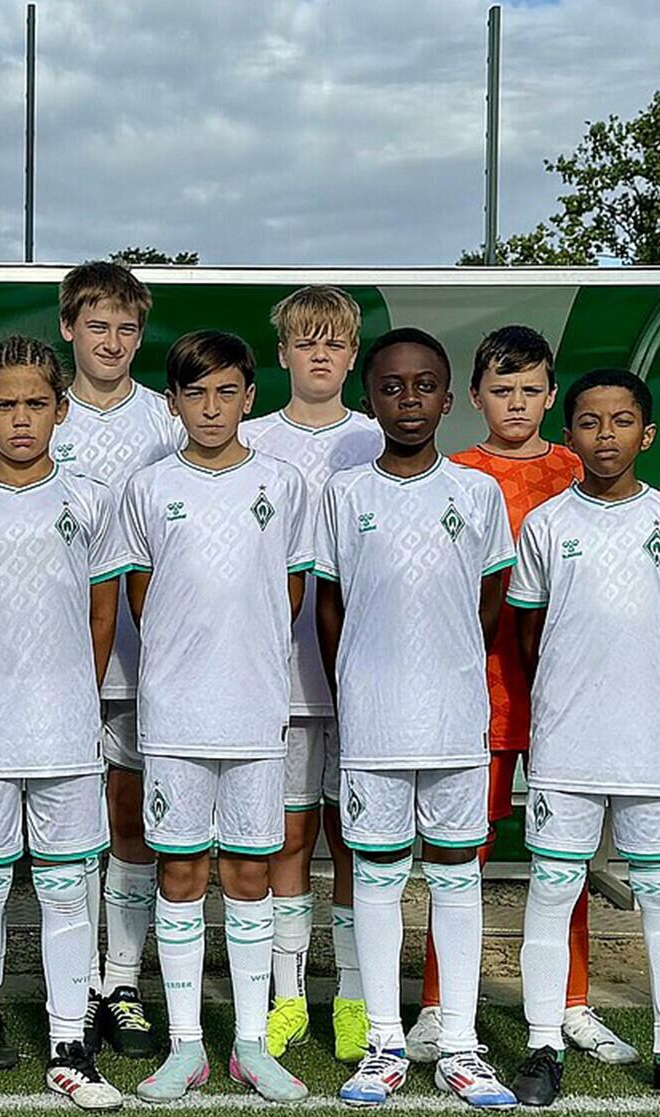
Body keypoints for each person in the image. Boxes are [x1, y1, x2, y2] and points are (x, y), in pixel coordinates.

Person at [409, 326, 638, 1067]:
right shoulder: (451, 477)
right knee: (457, 860)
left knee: (563, 866)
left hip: (566, 707)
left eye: (531, 389)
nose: (517, 403)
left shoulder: (585, 471)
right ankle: (442, 1009)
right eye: (501, 390)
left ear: (551, 394)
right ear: (474, 397)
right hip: (476, 704)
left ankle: (571, 1004)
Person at [505, 369, 660, 1111]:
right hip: (568, 740)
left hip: (650, 742)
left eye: (623, 421)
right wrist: (579, 687)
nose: (607, 435)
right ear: (569, 436)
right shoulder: (546, 525)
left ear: (647, 433)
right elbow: (531, 633)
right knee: (553, 888)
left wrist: (646, 689)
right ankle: (542, 1043)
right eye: (592, 422)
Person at [0, 336, 126, 1112]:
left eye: (36, 403)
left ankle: (72, 1043)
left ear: (61, 410)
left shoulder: (91, 500)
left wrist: (72, 687)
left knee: (67, 888)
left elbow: (102, 612)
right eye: (4, 404)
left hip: (65, 732)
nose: (20, 418)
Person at [314, 328, 518, 1109]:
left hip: (454, 716)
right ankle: (383, 1045)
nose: (409, 400)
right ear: (369, 398)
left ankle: (460, 1043)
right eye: (393, 387)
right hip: (372, 721)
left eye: (424, 385)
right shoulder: (345, 494)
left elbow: (490, 600)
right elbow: (329, 604)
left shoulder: (476, 493)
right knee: (375, 874)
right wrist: (359, 678)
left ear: (447, 396)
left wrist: (448, 661)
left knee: (456, 874)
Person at [120, 330, 312, 1104]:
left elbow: (293, 590)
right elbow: (141, 596)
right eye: (195, 393)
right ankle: (185, 1047)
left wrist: (248, 655)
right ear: (172, 403)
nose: (210, 407)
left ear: (249, 397)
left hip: (255, 709)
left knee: (250, 871)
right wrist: (179, 657)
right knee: (179, 870)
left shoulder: (286, 483)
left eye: (225, 391)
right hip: (175, 713)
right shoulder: (148, 488)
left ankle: (251, 1046)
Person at [239, 286, 383, 1064]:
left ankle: (355, 997)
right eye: (306, 342)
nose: (320, 354)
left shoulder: (376, 438)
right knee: (288, 836)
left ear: (353, 354)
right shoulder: (253, 440)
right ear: (285, 353)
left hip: (364, 678)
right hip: (280, 679)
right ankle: (290, 998)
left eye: (334, 343)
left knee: (356, 841)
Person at [53, 260, 183, 1058]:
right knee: (66, 827)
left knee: (130, 819)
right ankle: (67, 985)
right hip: (48, 658)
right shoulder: (36, 413)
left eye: (126, 329)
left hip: (140, 655)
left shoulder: (166, 424)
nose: (111, 341)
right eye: (96, 326)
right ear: (68, 328)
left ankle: (120, 983)